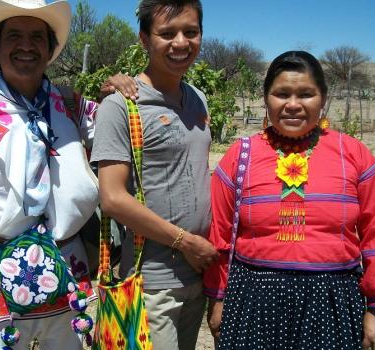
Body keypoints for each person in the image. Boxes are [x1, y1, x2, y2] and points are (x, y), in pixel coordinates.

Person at [0, 0, 136, 349]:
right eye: (14, 35)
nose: (27, 45)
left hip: (69, 268)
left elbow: (113, 129)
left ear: (49, 49)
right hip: (1, 275)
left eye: (37, 37)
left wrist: (115, 95)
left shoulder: (70, 104)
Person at [204, 50, 375, 350]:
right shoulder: (239, 156)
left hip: (332, 304)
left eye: (306, 94)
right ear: (266, 98)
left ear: (322, 98)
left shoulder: (353, 155)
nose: (293, 105)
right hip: (253, 303)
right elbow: (218, 236)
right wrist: (217, 301)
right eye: (282, 94)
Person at [91, 0, 219, 349]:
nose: (181, 43)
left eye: (191, 32)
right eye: (167, 33)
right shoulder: (121, 105)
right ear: (144, 39)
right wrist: (186, 242)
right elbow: (113, 198)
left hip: (197, 273)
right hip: (151, 282)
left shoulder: (199, 99)